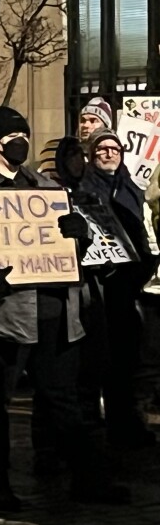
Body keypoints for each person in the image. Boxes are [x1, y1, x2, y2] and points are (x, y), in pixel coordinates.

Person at [0, 106, 129, 510]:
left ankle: (88, 478)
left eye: (25, 134)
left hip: (53, 310)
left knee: (64, 400)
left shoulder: (45, 188)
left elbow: (71, 244)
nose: (21, 143)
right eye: (12, 137)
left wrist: (79, 237)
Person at [73, 129, 155, 447]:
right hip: (97, 285)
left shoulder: (133, 189)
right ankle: (91, 426)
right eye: (101, 149)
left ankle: (126, 422)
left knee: (127, 359)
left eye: (114, 149)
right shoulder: (83, 189)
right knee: (96, 359)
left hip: (130, 284)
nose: (108, 154)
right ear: (91, 156)